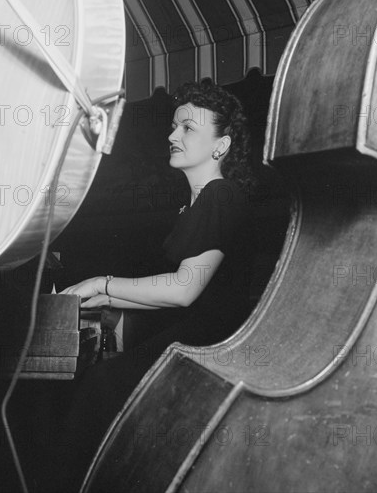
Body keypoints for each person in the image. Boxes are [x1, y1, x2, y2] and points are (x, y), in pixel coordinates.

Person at [52, 80, 256, 492]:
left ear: (221, 145)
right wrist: (104, 297)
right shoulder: (202, 201)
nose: (172, 135)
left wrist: (101, 282)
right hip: (198, 338)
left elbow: (184, 291)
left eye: (187, 128)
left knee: (101, 387)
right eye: (173, 126)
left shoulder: (220, 195)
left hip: (206, 348)